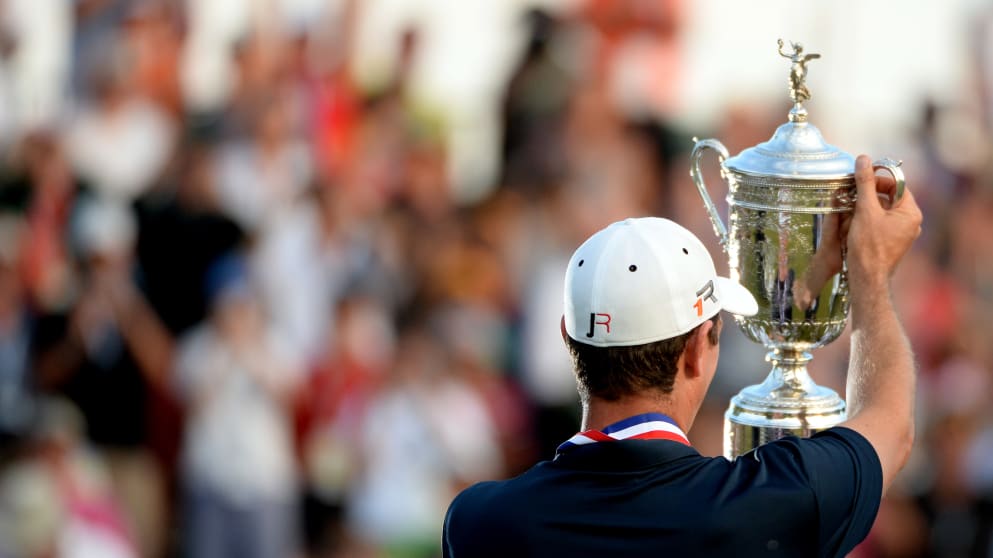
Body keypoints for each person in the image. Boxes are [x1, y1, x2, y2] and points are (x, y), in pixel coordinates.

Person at [442, 155, 923, 557]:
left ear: (569, 339)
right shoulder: (766, 503)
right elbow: (890, 425)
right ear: (697, 350)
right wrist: (870, 274)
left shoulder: (477, 523)